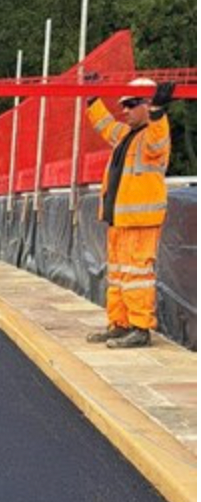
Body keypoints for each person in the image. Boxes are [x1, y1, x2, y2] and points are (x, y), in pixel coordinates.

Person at [84, 78, 175, 349]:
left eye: (131, 104)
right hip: (120, 220)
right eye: (123, 104)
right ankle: (120, 324)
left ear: (147, 105)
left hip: (140, 221)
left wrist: (158, 111)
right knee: (118, 276)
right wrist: (92, 100)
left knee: (137, 277)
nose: (124, 109)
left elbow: (158, 141)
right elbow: (104, 125)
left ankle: (140, 328)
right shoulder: (126, 134)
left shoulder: (153, 135)